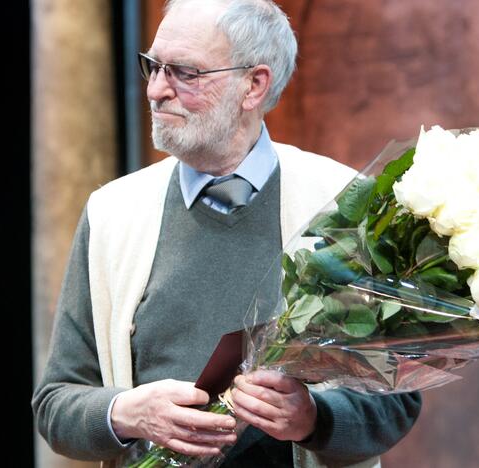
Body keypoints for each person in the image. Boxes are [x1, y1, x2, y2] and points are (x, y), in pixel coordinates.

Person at [31, 0, 422, 466]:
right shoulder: (112, 213)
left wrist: (314, 416)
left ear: (254, 85)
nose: (156, 90)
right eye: (152, 67)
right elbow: (55, 405)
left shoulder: (344, 202)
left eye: (184, 73)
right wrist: (126, 412)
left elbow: (398, 401)